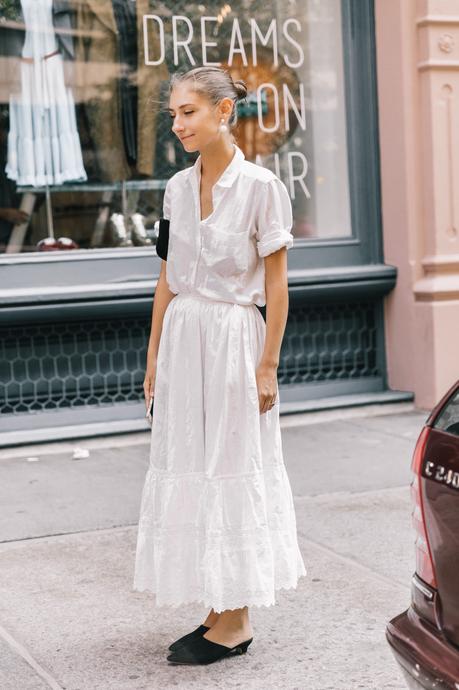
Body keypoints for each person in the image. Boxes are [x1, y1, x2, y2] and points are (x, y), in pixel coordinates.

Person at [133, 65, 307, 666]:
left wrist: (268, 366)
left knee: (231, 462)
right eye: (174, 114)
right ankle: (218, 606)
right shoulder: (177, 189)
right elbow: (165, 278)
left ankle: (235, 622)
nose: (177, 123)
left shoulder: (262, 187)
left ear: (224, 112)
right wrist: (153, 354)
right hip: (185, 337)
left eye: (189, 112)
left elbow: (279, 289)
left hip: (235, 337)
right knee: (192, 463)